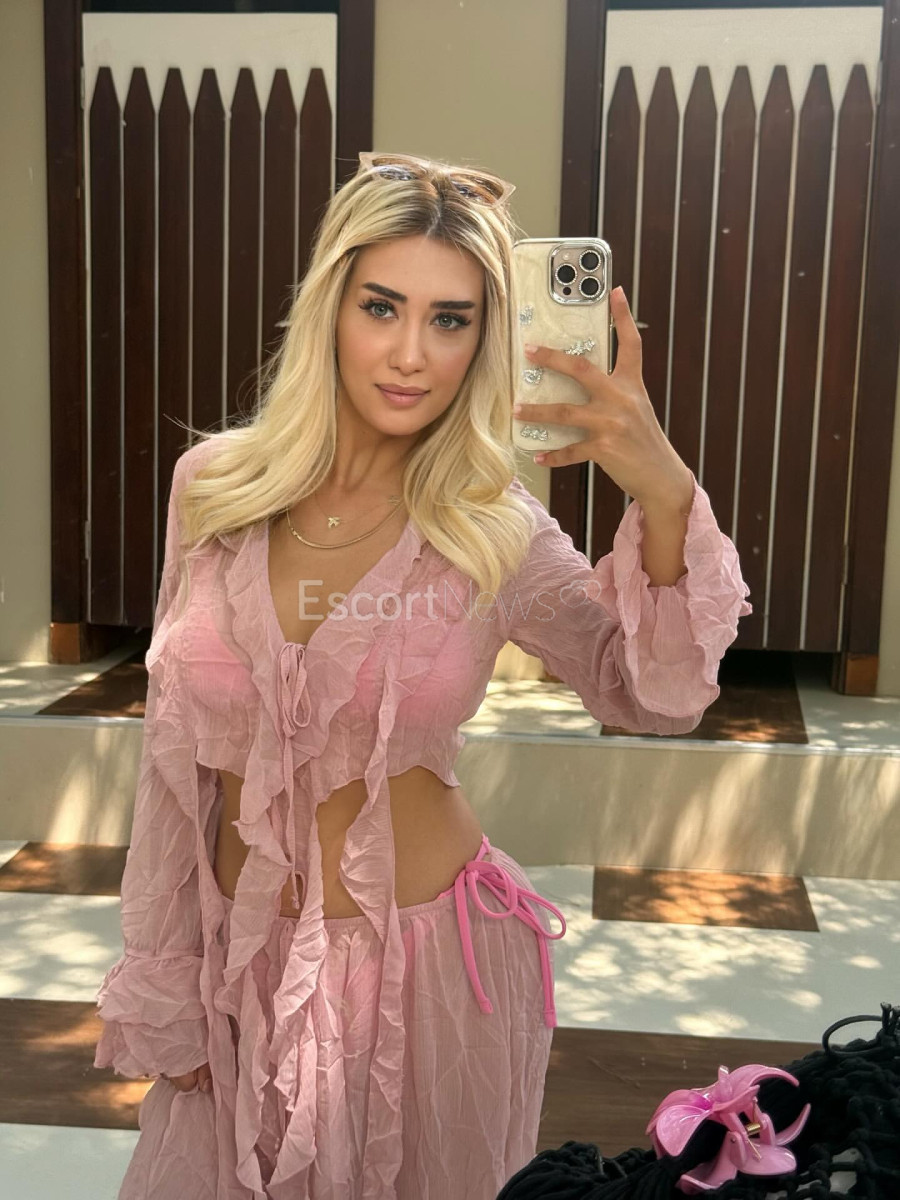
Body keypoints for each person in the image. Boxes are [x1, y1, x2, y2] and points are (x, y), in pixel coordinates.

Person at [92, 151, 752, 1200]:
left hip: (433, 978)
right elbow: (170, 754)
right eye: (382, 307)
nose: (410, 354)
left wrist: (663, 490)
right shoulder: (214, 487)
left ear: (487, 339)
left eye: (451, 319)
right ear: (331, 308)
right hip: (238, 964)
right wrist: (165, 973)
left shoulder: (494, 527)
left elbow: (652, 694)